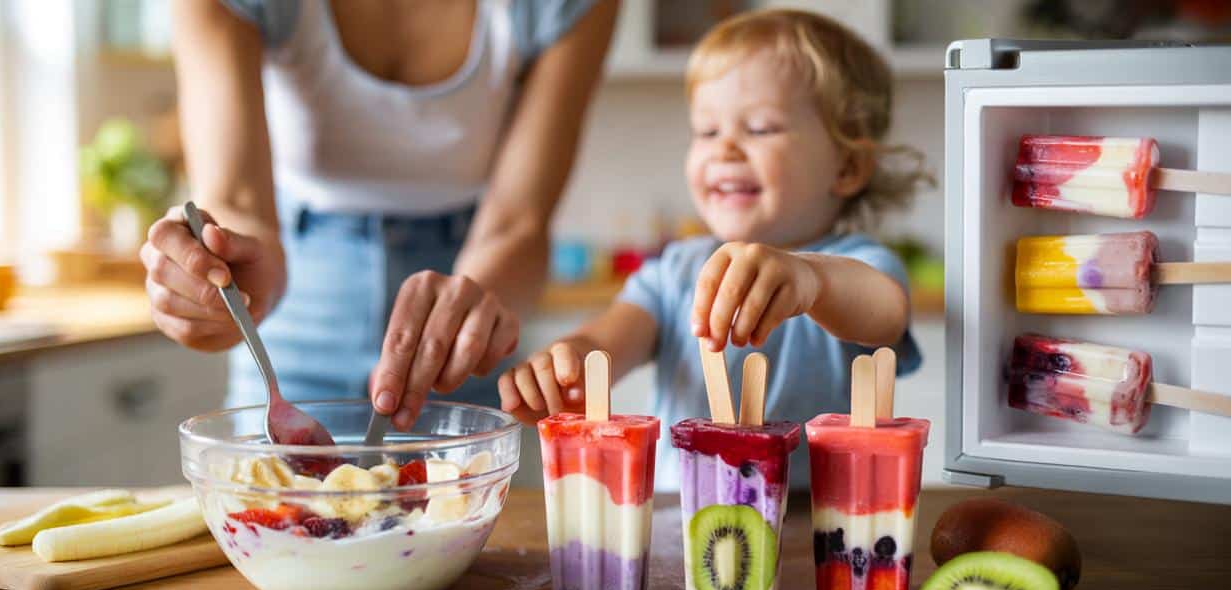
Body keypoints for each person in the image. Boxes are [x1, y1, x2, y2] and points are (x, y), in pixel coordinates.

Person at [498, 8, 931, 489]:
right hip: (683, 534)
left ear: (848, 166)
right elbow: (603, 346)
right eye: (707, 131)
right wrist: (562, 369)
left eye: (761, 128)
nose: (724, 149)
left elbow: (885, 311)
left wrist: (811, 278)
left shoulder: (858, 266)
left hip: (809, 536)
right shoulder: (675, 272)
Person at [139, 0, 618, 431]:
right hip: (295, 316)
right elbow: (236, 201)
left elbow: (519, 223)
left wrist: (469, 318)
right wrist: (224, 284)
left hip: (467, 313)